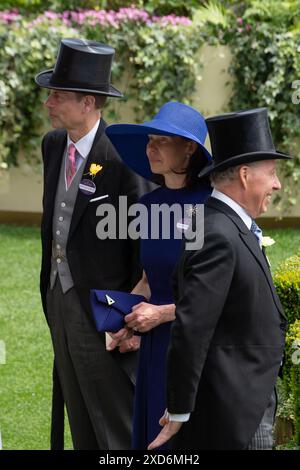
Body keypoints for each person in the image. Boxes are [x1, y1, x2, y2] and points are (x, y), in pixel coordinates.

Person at [148, 107, 292, 450]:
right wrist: (180, 408)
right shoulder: (218, 233)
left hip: (248, 399)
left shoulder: (224, 224)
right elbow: (192, 326)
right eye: (271, 173)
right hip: (236, 414)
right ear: (244, 175)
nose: (277, 183)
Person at [36, 38, 152, 450]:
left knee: (114, 422)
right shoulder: (53, 146)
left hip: (106, 309)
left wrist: (132, 314)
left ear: (88, 102)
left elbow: (145, 245)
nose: (48, 103)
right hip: (59, 297)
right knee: (79, 412)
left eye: (57, 96)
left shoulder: (121, 158)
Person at [105, 101, 212, 449]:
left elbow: (216, 294)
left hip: (191, 342)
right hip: (153, 346)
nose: (150, 148)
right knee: (152, 437)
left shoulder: (208, 206)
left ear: (189, 147)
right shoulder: (149, 206)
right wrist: (123, 318)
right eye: (149, 139)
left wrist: (162, 314)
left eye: (161, 140)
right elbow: (149, 280)